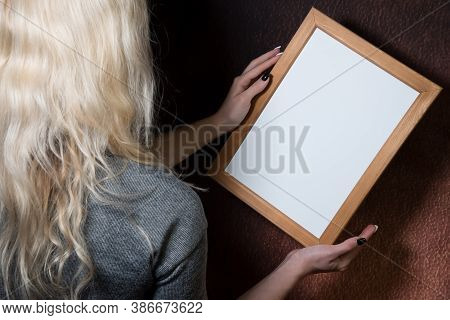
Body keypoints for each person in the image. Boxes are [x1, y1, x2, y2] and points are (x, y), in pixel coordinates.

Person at [0, 0, 377, 300]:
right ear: (118, 55)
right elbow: (121, 194)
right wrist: (295, 266)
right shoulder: (171, 212)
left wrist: (217, 123)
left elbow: (94, 177)